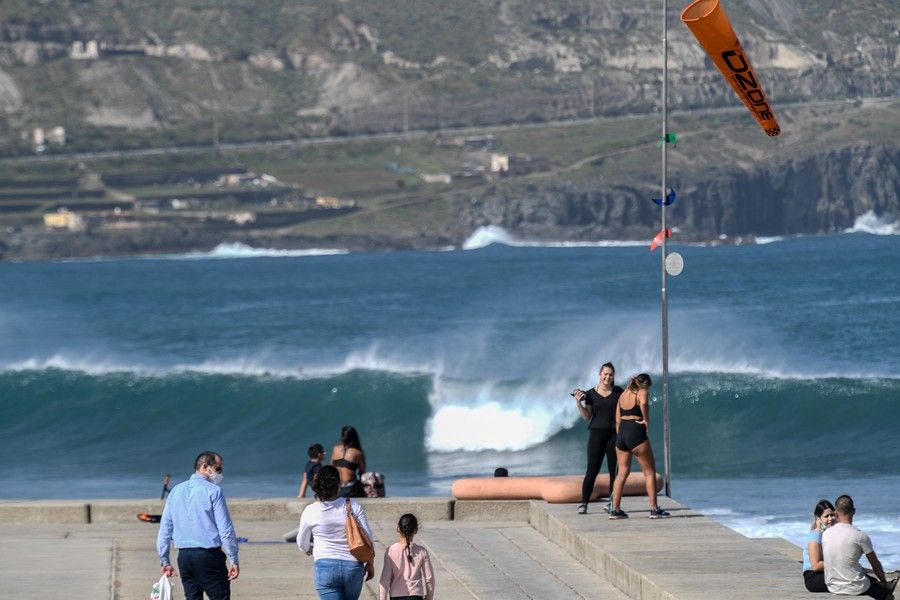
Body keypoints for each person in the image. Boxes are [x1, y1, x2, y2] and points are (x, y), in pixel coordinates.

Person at [157, 451, 240, 600]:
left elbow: (165, 529)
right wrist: (233, 558)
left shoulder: (175, 491)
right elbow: (225, 530)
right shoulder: (214, 491)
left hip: (184, 557)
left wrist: (165, 560)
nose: (220, 474)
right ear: (205, 466)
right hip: (208, 556)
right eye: (218, 469)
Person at [298, 465, 375, 599]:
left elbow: (301, 543)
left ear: (317, 485)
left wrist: (309, 548)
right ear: (338, 483)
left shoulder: (310, 510)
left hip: (325, 568)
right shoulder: (353, 505)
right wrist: (370, 563)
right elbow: (368, 538)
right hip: (353, 567)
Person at [608, 373, 669, 520]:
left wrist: (621, 435)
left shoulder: (623, 394)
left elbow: (617, 419)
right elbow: (643, 403)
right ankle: (654, 509)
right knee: (649, 473)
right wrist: (646, 420)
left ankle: (615, 510)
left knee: (621, 474)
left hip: (622, 434)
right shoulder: (642, 391)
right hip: (635, 431)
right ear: (645, 383)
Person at [823, 495, 897, 599]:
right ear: (854, 511)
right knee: (888, 596)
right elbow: (875, 565)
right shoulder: (860, 536)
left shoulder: (826, 534)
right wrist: (884, 582)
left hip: (833, 586)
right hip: (855, 587)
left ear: (835, 512)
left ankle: (885, 586)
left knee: (860, 573)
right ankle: (887, 587)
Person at [573, 362, 622, 514]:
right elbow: (587, 416)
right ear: (600, 375)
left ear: (613, 376)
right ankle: (584, 503)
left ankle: (612, 504)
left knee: (614, 471)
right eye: (605, 374)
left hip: (614, 435)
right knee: (592, 470)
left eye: (610, 374)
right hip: (596, 434)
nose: (607, 377)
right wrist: (578, 403)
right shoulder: (590, 394)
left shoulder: (619, 392)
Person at [378, 513, 435, 600]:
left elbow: (385, 579)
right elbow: (429, 578)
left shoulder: (391, 551)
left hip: (396, 596)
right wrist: (429, 597)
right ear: (416, 530)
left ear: (397, 529)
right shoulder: (422, 551)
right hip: (416, 596)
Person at [802, 499, 836, 592]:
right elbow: (816, 566)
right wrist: (841, 564)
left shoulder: (830, 534)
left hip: (826, 573)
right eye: (826, 516)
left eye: (832, 515)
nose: (830, 519)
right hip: (813, 578)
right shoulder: (815, 536)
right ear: (818, 518)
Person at [332, 425, 366, 498]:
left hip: (336, 487)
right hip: (350, 488)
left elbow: (331, 467)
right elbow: (362, 472)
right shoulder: (357, 453)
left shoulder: (335, 449)